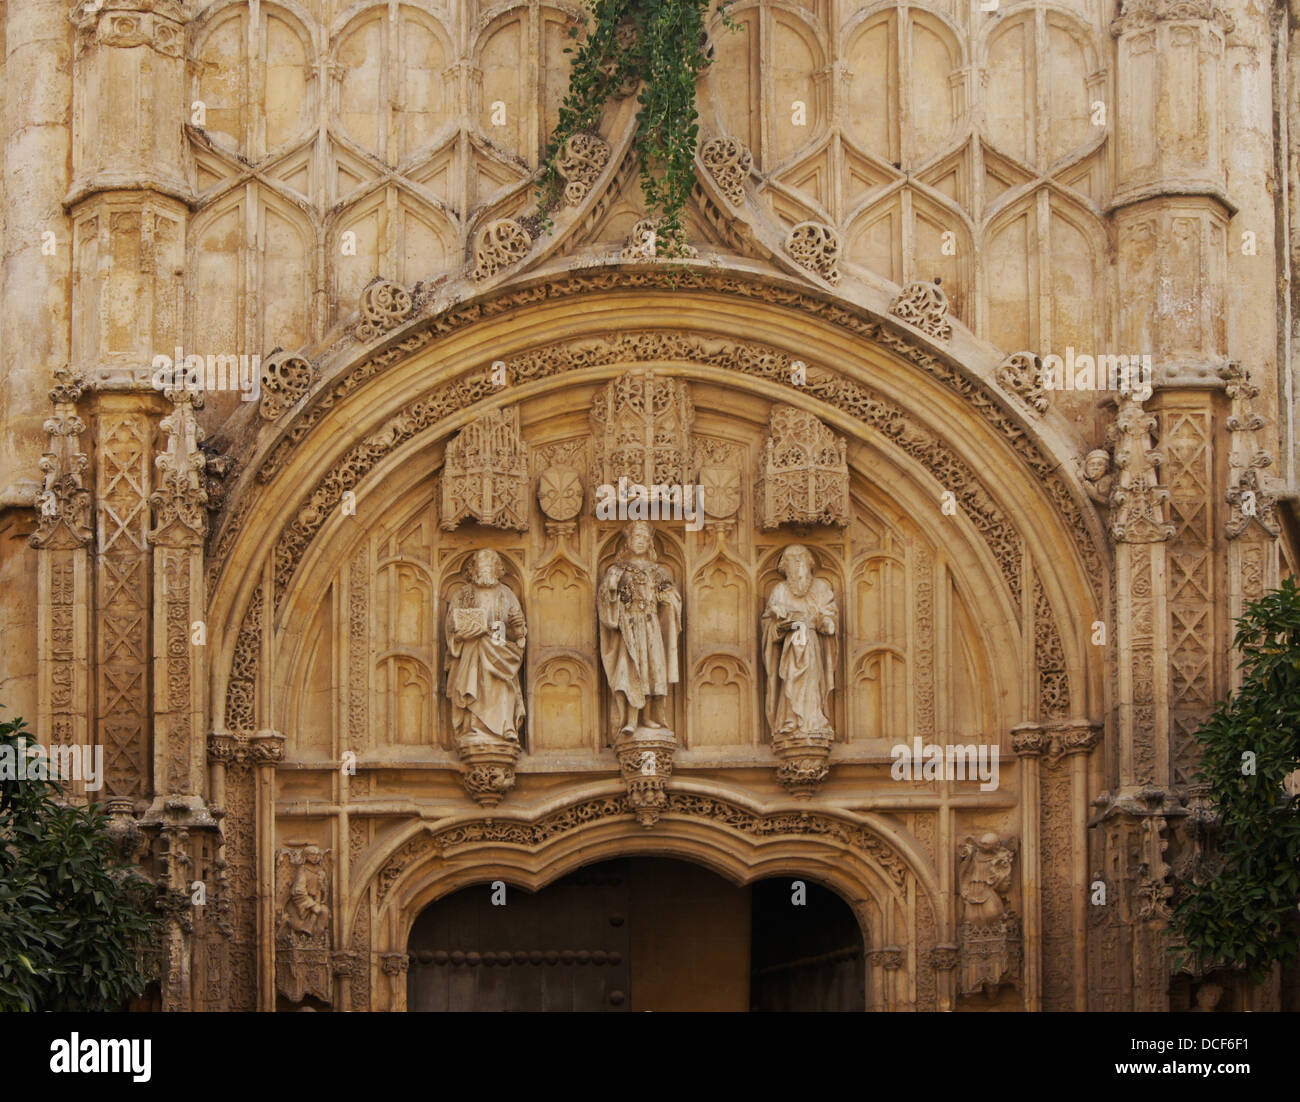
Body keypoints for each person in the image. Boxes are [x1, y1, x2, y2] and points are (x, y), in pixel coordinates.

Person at [597, 521, 681, 736]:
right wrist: (612, 590)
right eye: (636, 538)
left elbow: (669, 595)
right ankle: (631, 719)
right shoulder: (617, 570)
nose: (641, 542)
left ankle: (648, 717)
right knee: (631, 670)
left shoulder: (658, 571)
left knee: (652, 671)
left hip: (651, 626)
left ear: (650, 542)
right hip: (629, 626)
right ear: (628, 542)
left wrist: (669, 599)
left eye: (644, 538)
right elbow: (606, 598)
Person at [445, 549, 526, 743]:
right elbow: (451, 626)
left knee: (502, 683)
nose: (485, 570)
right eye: (481, 567)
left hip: (499, 651)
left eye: (490, 566)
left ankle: (504, 726)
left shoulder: (506, 595)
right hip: (471, 652)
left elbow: (518, 634)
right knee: (475, 658)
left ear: (498, 570)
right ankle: (474, 726)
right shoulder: (462, 595)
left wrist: (517, 627)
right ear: (472, 570)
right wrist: (462, 628)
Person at [761, 545, 837, 739]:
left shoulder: (820, 588)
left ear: (808, 563)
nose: (796, 566)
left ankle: (813, 720)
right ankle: (791, 720)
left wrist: (825, 622)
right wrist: (779, 621)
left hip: (811, 642)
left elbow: (829, 615)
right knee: (791, 680)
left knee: (811, 680)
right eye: (791, 561)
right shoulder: (780, 590)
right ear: (784, 567)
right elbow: (769, 623)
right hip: (792, 642)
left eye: (800, 560)